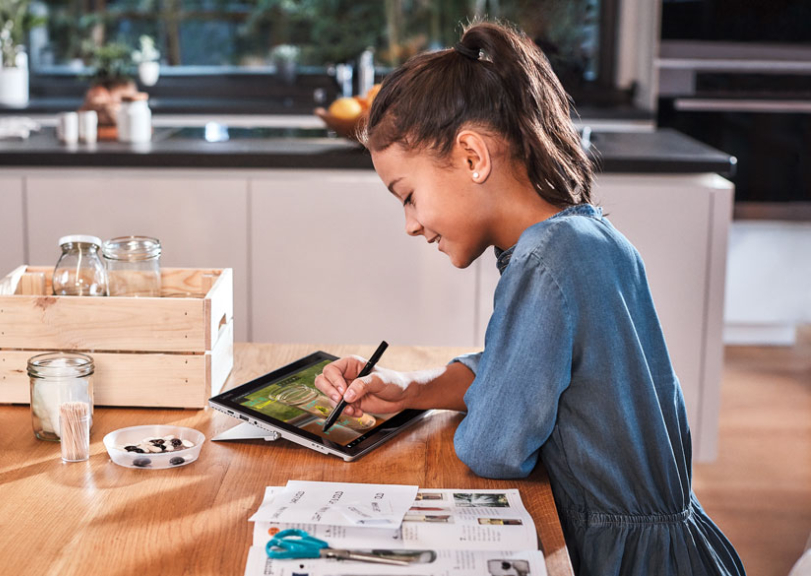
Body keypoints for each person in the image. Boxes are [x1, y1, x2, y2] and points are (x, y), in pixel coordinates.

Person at [313, 20, 745, 576]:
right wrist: (413, 389)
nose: (411, 225)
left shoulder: (544, 260)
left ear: (472, 156)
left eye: (409, 196)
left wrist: (482, 412)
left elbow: (494, 446)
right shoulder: (585, 236)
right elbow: (525, 374)